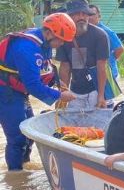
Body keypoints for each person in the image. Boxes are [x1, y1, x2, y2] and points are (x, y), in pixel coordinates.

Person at [0, 13, 78, 170]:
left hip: (17, 91)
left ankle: (24, 168)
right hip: (5, 93)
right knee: (17, 138)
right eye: (60, 39)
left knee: (28, 134)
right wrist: (60, 95)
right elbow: (33, 86)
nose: (62, 44)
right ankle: (15, 177)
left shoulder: (42, 42)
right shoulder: (26, 48)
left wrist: (58, 83)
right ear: (49, 32)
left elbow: (43, 69)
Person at [57, 0, 110, 110]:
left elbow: (102, 66)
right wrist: (63, 94)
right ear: (69, 17)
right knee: (71, 123)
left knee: (97, 124)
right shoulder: (64, 37)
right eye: (77, 14)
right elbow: (65, 68)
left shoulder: (100, 35)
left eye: (84, 14)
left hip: (95, 88)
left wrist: (101, 96)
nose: (81, 17)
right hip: (76, 89)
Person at [87, 4, 124, 85]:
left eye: (92, 14)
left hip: (110, 75)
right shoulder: (86, 32)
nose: (89, 17)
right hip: (95, 75)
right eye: (87, 14)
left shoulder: (106, 32)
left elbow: (120, 49)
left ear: (99, 16)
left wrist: (111, 58)